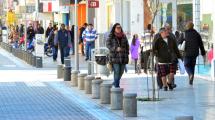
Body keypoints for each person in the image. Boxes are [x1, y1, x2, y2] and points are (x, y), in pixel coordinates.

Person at [106, 23, 129, 88]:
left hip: (123, 57)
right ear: (114, 28)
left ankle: (115, 82)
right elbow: (108, 45)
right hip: (114, 57)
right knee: (117, 71)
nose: (119, 29)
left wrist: (127, 53)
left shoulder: (124, 36)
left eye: (120, 27)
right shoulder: (111, 36)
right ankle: (116, 87)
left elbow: (127, 45)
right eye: (117, 27)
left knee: (121, 72)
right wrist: (115, 49)